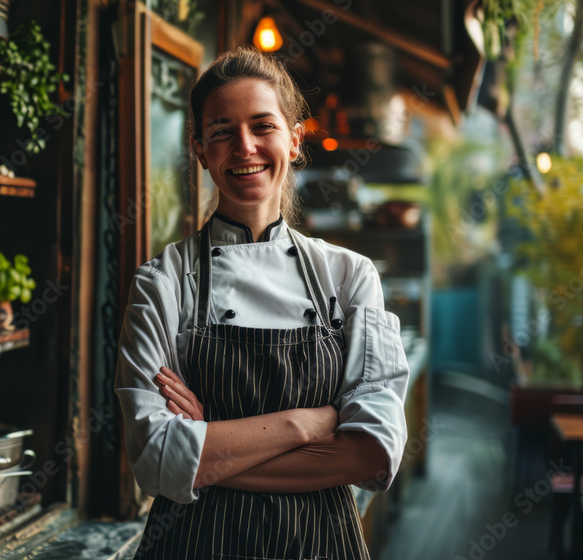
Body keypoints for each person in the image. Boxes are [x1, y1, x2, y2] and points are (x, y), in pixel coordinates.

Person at [114, 45, 411, 560]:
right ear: (200, 150)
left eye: (262, 126)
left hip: (321, 545)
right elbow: (155, 459)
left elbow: (372, 454)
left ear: (295, 140)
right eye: (222, 130)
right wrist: (313, 421)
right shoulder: (161, 284)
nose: (244, 146)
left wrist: (209, 447)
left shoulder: (348, 276)